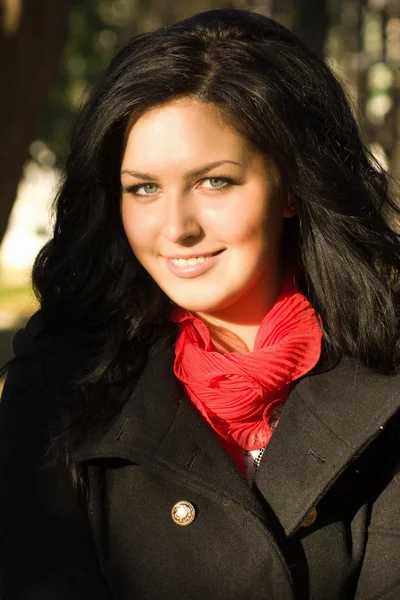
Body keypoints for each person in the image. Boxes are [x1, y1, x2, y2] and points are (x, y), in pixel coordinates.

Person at [1, 7, 400, 599]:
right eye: (143, 188)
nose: (176, 228)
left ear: (290, 186)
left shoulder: (385, 370)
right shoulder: (62, 378)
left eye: (215, 181)